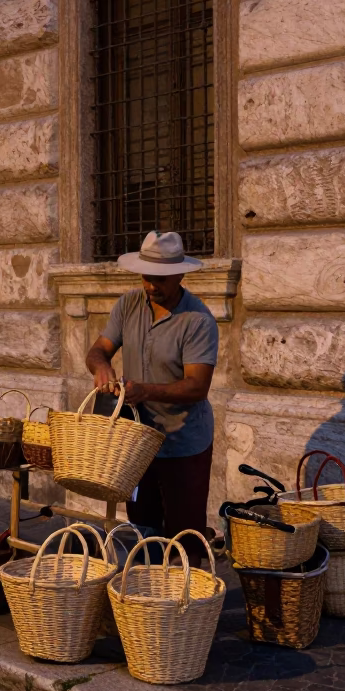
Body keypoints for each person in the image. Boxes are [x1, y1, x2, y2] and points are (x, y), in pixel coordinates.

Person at [85, 230, 219, 561]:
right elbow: (98, 350)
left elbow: (197, 386)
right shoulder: (128, 304)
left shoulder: (198, 320)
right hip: (136, 441)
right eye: (147, 277)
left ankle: (188, 605)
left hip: (183, 442)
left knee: (184, 539)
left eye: (161, 279)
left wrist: (145, 390)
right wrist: (101, 368)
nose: (152, 286)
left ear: (180, 275)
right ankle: (149, 599)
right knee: (142, 528)